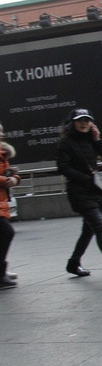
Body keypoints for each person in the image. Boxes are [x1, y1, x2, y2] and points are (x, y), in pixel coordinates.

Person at [56, 108, 102, 278]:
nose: (84, 124)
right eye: (80, 120)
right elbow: (63, 167)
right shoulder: (66, 142)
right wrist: (85, 179)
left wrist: (98, 140)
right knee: (100, 226)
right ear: (73, 123)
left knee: (88, 230)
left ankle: (73, 263)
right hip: (79, 192)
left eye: (87, 120)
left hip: (94, 192)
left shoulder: (91, 139)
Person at [1, 122, 20, 289]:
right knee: (7, 232)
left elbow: (9, 173)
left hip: (2, 200)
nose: (1, 134)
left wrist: (14, 178)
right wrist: (6, 180)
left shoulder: (3, 153)